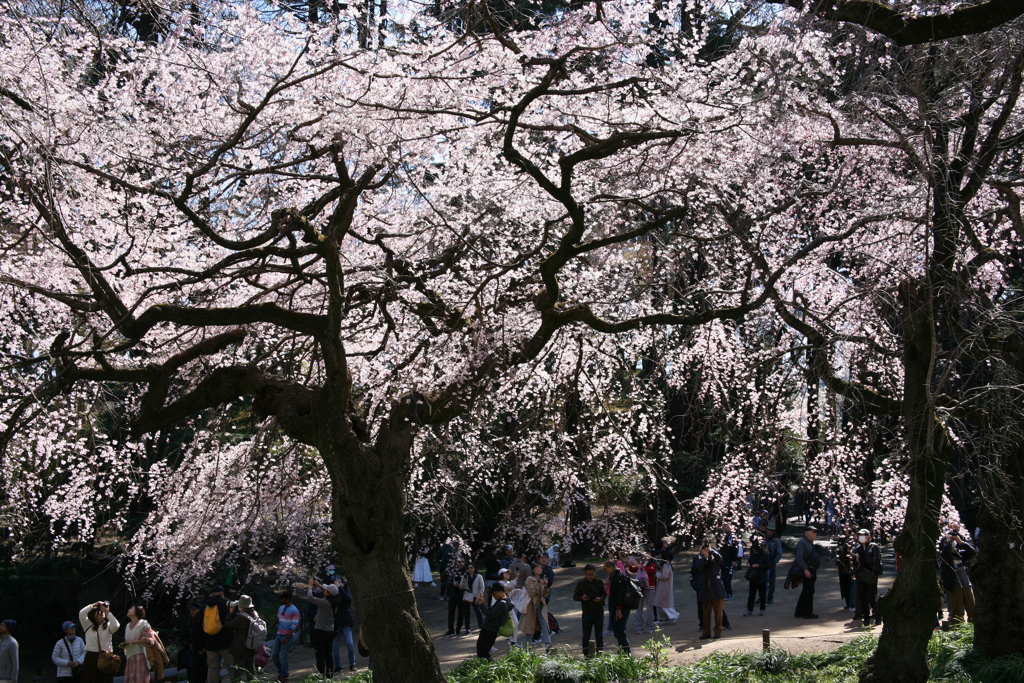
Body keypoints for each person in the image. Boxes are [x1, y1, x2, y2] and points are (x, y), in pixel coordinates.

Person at [939, 528, 976, 625]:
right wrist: (949, 541)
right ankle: (957, 631)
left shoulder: (961, 554)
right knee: (957, 613)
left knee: (973, 610)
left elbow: (972, 552)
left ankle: (973, 629)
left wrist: (960, 541)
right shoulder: (945, 556)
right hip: (955, 587)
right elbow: (945, 552)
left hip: (966, 585)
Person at [79, 602, 120, 683]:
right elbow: (82, 613)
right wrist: (95, 604)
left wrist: (108, 612)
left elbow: (116, 625)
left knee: (105, 680)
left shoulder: (108, 626)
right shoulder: (88, 625)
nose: (101, 613)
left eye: (102, 612)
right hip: (92, 657)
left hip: (106, 657)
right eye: (98, 612)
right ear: (93, 615)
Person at [693, 542, 727, 639]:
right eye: (703, 548)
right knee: (706, 613)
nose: (705, 550)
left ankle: (718, 632)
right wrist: (704, 558)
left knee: (718, 613)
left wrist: (711, 551)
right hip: (704, 589)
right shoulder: (697, 559)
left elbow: (720, 559)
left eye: (707, 548)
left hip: (716, 589)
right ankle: (706, 632)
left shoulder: (715, 558)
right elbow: (698, 567)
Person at [202, 586, 234, 683]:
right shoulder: (225, 606)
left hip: (210, 643)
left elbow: (198, 625)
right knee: (231, 666)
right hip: (226, 643)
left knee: (212, 668)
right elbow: (231, 622)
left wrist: (200, 644)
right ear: (222, 594)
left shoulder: (205, 606)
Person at [306, 579, 337, 677]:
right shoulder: (335, 601)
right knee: (328, 654)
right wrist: (320, 585)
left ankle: (320, 675)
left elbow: (310, 597)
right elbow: (330, 591)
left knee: (320, 655)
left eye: (326, 590)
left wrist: (310, 587)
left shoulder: (325, 603)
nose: (324, 590)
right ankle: (329, 675)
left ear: (328, 593)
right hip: (330, 631)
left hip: (321, 631)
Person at [851, 528, 883, 626]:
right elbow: (854, 562)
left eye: (863, 535)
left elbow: (875, 560)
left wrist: (861, 559)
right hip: (860, 575)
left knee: (871, 597)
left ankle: (878, 615)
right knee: (862, 597)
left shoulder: (873, 547)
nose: (861, 537)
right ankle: (866, 618)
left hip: (871, 575)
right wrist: (854, 572)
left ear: (868, 537)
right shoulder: (857, 548)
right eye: (859, 535)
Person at [572, 564, 605, 657]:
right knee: (586, 635)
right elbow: (575, 596)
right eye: (588, 574)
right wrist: (582, 598)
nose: (590, 576)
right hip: (586, 612)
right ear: (585, 574)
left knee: (599, 635)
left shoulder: (599, 582)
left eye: (592, 574)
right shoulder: (581, 583)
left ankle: (600, 654)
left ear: (595, 573)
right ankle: (586, 655)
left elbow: (604, 594)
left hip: (598, 611)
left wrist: (600, 599)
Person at [475, 584, 513, 660]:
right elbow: (489, 610)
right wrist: (481, 603)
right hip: (489, 628)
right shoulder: (500, 602)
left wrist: (481, 604)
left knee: (483, 651)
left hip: (490, 630)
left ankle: (490, 667)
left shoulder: (502, 603)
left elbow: (491, 615)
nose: (493, 596)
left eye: (494, 594)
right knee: (481, 650)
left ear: (501, 592)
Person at [224, 595, 258, 680]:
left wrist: (231, 613)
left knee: (238, 671)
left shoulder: (242, 617)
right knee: (251, 669)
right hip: (252, 645)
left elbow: (228, 624)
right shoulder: (254, 613)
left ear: (241, 606)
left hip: (241, 648)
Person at [518, 564, 551, 650]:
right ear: (533, 570)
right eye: (537, 568)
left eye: (540, 568)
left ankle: (548, 644)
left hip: (540, 605)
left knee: (544, 624)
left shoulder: (542, 579)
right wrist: (539, 585)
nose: (539, 569)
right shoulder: (530, 579)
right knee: (530, 627)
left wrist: (546, 586)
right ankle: (526, 647)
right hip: (531, 607)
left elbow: (544, 594)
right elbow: (531, 593)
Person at [604, 559, 631, 655]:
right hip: (616, 608)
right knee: (617, 631)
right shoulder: (614, 578)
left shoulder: (619, 578)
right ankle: (622, 650)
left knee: (620, 631)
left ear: (612, 568)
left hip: (621, 608)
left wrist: (618, 609)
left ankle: (626, 652)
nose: (605, 571)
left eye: (606, 569)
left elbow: (620, 595)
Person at [271, 591, 300, 683]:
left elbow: (294, 625)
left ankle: (283, 675)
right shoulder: (281, 608)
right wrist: (276, 622)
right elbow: (279, 619)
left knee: (283, 656)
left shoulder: (294, 610)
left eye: (282, 598)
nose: (281, 600)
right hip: (279, 633)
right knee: (274, 655)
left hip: (287, 635)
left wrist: (287, 637)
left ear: (287, 599)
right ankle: (282, 670)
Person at [122, 605, 154, 683]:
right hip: (129, 658)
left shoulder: (143, 623)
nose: (129, 610)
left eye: (131, 608)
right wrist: (124, 645)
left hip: (140, 656)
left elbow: (150, 639)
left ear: (137, 612)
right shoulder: (127, 625)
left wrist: (133, 642)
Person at [794, 526, 821, 619]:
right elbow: (799, 557)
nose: (815, 533)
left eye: (816, 531)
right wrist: (805, 569)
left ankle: (799, 611)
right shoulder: (803, 542)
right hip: (807, 571)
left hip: (812, 570)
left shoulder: (809, 542)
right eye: (813, 531)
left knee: (807, 590)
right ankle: (807, 613)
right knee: (808, 591)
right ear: (807, 532)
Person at [331, 579, 356, 673]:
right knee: (335, 646)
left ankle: (352, 664)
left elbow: (348, 598)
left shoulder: (346, 594)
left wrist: (340, 587)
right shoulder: (334, 595)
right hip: (335, 625)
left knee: (350, 643)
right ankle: (337, 666)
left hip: (346, 623)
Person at [182, 602, 208, 683]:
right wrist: (188, 644)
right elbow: (182, 638)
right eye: (191, 609)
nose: (192, 611)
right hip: (192, 654)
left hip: (204, 652)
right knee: (192, 675)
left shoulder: (206, 621)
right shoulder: (188, 622)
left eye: (194, 610)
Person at [743, 538, 769, 616]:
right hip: (753, 578)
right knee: (751, 595)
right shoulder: (753, 556)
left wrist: (759, 565)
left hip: (761, 577)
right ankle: (749, 609)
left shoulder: (765, 556)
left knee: (762, 594)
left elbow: (768, 566)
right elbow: (749, 562)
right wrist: (748, 565)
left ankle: (762, 609)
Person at [443, 559, 467, 637]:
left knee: (461, 613)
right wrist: (452, 583)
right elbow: (446, 581)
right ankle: (450, 630)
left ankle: (458, 629)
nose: (460, 564)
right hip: (452, 594)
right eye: (459, 562)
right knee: (451, 612)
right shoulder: (451, 572)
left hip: (462, 594)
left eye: (462, 562)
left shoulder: (465, 572)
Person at [459, 564, 486, 634]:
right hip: (467, 595)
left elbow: (482, 587)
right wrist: (463, 582)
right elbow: (460, 587)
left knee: (478, 611)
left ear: (474, 568)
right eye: (468, 568)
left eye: (471, 568)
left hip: (475, 596)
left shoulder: (479, 577)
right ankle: (467, 629)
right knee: (466, 612)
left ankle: (481, 627)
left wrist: (478, 597)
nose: (470, 569)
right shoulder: (465, 576)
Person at [718, 525, 743, 599]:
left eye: (726, 526)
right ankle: (724, 592)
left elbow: (734, 549)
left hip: (729, 560)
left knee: (727, 578)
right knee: (722, 577)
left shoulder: (732, 537)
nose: (724, 528)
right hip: (723, 559)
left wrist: (734, 560)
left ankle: (729, 593)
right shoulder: (723, 536)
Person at [652, 557, 677, 625]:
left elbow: (664, 576)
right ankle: (661, 619)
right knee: (660, 604)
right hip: (662, 587)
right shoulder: (664, 565)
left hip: (665, 588)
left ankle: (674, 616)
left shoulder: (666, 565)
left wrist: (656, 573)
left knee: (665, 605)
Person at [763, 524, 783, 605]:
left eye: (771, 530)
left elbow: (779, 553)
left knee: (771, 582)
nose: (769, 532)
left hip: (771, 562)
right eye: (768, 530)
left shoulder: (776, 541)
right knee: (763, 581)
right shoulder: (764, 538)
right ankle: (762, 597)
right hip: (763, 562)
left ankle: (770, 598)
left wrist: (774, 561)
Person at [835, 536, 856, 612]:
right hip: (847, 567)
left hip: (846, 568)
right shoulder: (846, 540)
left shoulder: (845, 540)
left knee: (848, 586)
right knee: (850, 586)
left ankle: (850, 603)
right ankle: (852, 604)